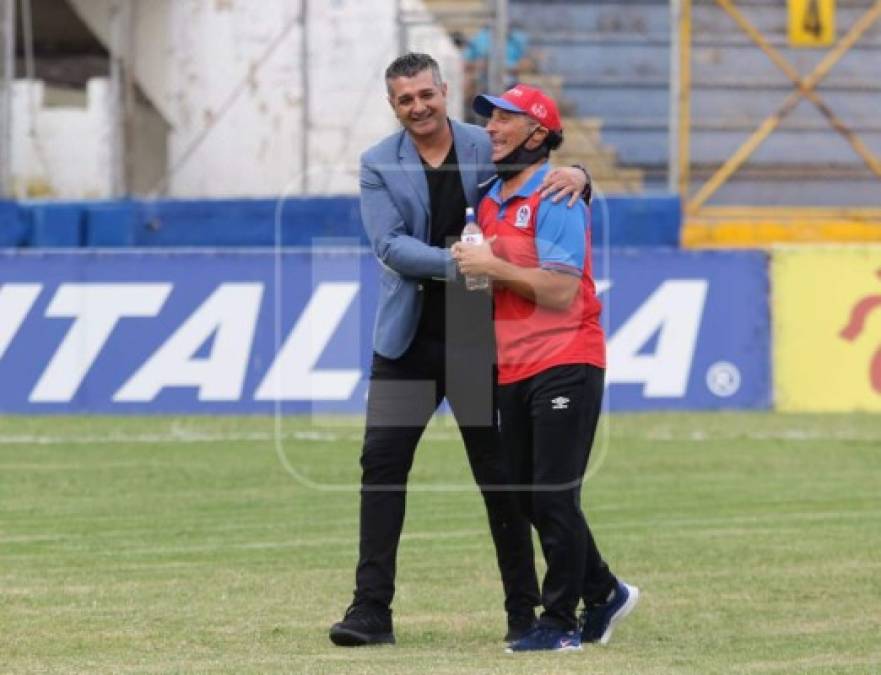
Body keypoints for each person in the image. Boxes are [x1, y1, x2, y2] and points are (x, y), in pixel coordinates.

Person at [328, 53, 591, 648]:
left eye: (426, 94)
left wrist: (581, 174)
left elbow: (543, 167)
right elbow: (389, 247)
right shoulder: (376, 164)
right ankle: (371, 612)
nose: (417, 106)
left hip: (479, 341)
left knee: (500, 481)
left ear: (444, 91)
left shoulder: (489, 142)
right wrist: (465, 262)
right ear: (392, 106)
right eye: (405, 100)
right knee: (382, 472)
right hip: (406, 346)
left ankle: (524, 614)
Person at [452, 84, 639, 653]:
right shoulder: (487, 200)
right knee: (528, 496)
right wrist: (475, 271)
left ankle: (559, 624)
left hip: (567, 358)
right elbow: (491, 283)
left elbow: (560, 290)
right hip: (514, 366)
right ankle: (604, 590)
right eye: (489, 119)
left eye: (504, 119)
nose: (491, 128)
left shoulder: (557, 195)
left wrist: (490, 264)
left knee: (553, 494)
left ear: (537, 132)